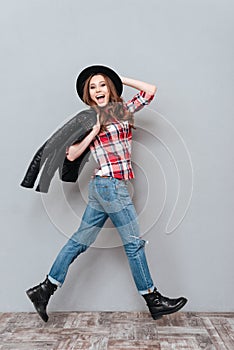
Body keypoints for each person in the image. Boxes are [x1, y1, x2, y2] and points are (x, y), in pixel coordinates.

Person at [26, 65, 187, 322]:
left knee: (79, 241)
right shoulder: (89, 118)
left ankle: (44, 289)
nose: (98, 90)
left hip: (104, 188)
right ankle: (153, 299)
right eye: (93, 87)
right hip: (110, 185)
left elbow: (150, 91)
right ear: (88, 94)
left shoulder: (121, 111)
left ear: (109, 87)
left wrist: (117, 77)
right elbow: (71, 154)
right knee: (134, 244)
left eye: (102, 84)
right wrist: (94, 129)